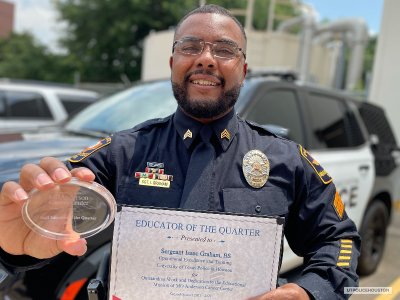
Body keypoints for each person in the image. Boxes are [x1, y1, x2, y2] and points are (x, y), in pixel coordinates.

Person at [0, 4, 359, 300]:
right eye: (190, 47)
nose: (206, 59)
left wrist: (309, 291)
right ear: (172, 63)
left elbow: (337, 239)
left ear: (243, 70)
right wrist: (16, 247)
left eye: (224, 49)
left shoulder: (286, 159)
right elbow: (49, 214)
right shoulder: (121, 154)